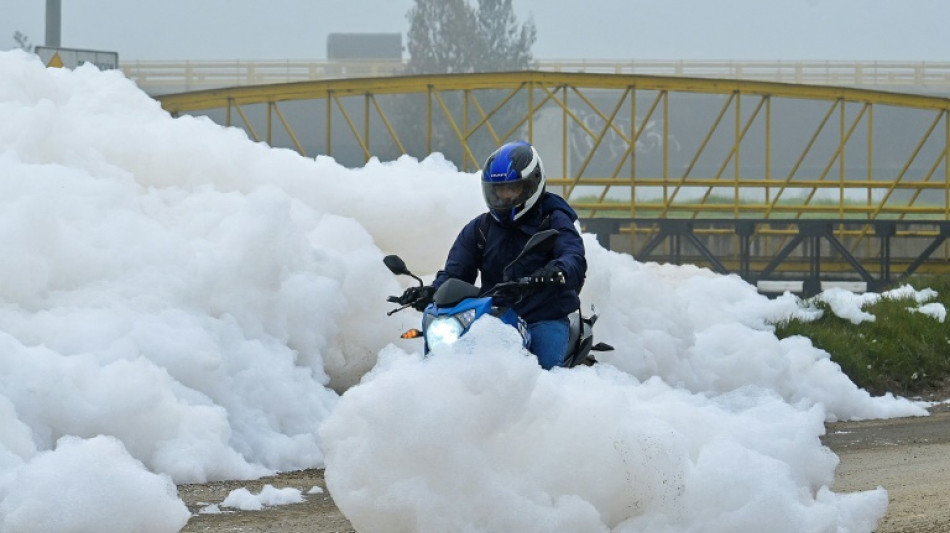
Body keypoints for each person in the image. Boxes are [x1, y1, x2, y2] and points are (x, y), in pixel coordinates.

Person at [401, 140, 587, 369]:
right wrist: (431, 291)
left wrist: (555, 271)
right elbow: (455, 273)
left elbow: (573, 256)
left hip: (543, 317)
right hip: (493, 319)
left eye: (513, 188)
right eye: (499, 190)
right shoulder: (481, 229)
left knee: (545, 375)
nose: (505, 197)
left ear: (532, 185)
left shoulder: (554, 220)